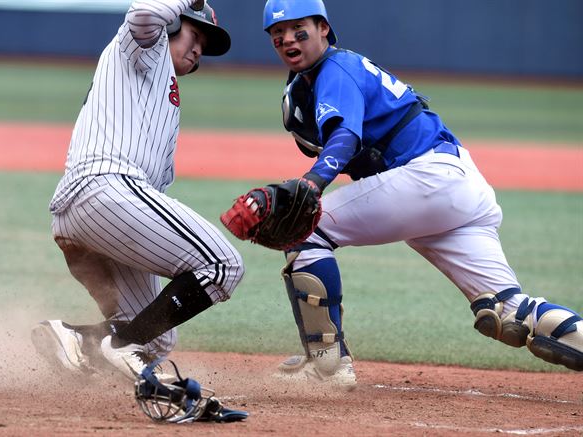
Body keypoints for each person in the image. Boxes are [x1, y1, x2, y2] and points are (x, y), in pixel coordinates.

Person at [239, 0, 582, 388]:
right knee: (507, 310)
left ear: (323, 28)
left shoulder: (334, 68)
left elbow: (345, 136)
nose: (287, 39)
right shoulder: (315, 79)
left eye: (298, 28)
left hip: (427, 177)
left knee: (306, 229)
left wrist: (312, 184)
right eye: (277, 34)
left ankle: (326, 367)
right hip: (456, 183)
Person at [31, 0, 244, 382]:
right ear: (174, 24)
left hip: (91, 213)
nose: (198, 50)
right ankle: (116, 346)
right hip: (103, 189)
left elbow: (156, 185)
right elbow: (143, 14)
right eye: (195, 35)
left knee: (154, 336)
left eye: (204, 48)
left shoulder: (162, 91)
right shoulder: (147, 49)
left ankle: (77, 341)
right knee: (223, 265)